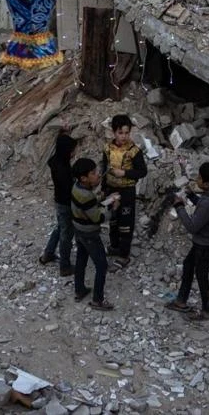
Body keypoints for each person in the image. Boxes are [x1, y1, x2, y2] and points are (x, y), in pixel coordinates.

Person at [164, 162, 209, 321]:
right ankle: (181, 301)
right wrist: (192, 196)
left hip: (204, 244)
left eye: (199, 177)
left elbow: (192, 226)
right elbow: (205, 211)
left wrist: (179, 206)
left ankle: (207, 311)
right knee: (189, 265)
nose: (196, 179)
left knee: (201, 274)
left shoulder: (208, 203)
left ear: (206, 183)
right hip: (208, 240)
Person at [99, 114, 147, 269]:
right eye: (121, 133)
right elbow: (104, 168)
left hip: (127, 192)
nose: (124, 136)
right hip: (111, 190)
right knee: (113, 220)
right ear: (114, 132)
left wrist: (125, 173)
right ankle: (114, 247)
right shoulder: (107, 148)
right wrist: (103, 188)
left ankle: (124, 255)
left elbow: (142, 172)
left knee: (125, 224)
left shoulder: (134, 151)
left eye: (127, 133)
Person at [70, 158, 118, 311]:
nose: (98, 175)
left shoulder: (76, 188)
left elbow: (87, 206)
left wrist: (102, 198)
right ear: (84, 178)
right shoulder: (86, 196)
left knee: (81, 259)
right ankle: (98, 300)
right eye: (93, 173)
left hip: (78, 229)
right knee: (101, 265)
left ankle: (79, 290)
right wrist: (113, 208)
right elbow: (98, 218)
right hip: (89, 234)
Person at [39, 133, 77, 276]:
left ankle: (48, 253)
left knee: (60, 227)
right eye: (71, 150)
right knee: (66, 234)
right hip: (66, 203)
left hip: (59, 201)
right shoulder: (63, 169)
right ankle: (65, 266)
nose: (73, 153)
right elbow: (69, 188)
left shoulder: (56, 161)